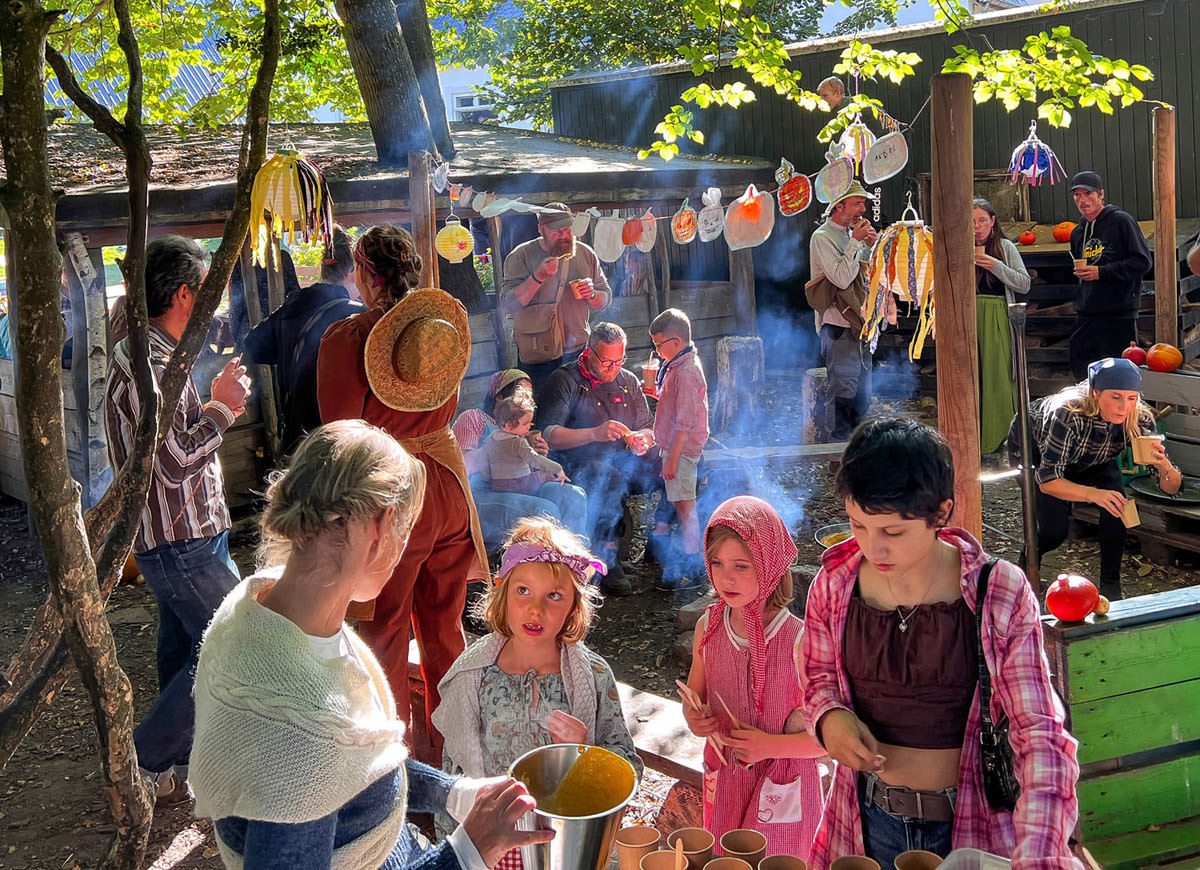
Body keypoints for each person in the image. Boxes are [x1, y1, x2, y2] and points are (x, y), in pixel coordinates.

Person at [190, 419, 554, 870]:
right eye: (410, 529)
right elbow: (316, 762)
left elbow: (355, 770)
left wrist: (453, 793)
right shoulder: (305, 735)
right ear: (382, 527)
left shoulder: (252, 609)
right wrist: (467, 853)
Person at [802, 417, 1083, 870]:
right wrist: (830, 717)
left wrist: (1041, 853)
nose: (874, 548)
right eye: (858, 525)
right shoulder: (835, 584)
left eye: (893, 532)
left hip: (973, 828)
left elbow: (1041, 732)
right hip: (862, 823)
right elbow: (818, 678)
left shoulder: (997, 592)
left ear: (941, 513)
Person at [318, 225, 490, 760]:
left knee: (384, 635)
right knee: (444, 631)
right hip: (447, 485)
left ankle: (393, 771)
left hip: (391, 491)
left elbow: (340, 431)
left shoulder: (349, 337)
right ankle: (451, 756)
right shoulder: (438, 328)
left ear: (366, 273)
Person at [103, 234, 251, 806]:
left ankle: (180, 763)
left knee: (185, 648)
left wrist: (215, 402)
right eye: (209, 289)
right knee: (234, 644)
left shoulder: (159, 352)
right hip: (180, 541)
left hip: (186, 537)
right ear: (186, 294)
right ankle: (141, 760)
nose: (215, 303)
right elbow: (172, 465)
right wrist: (223, 407)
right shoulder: (150, 362)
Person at [434, 516, 643, 828]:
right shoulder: (473, 674)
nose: (536, 608)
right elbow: (455, 771)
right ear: (501, 592)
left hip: (564, 840)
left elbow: (628, 768)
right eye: (523, 590)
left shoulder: (594, 675)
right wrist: (455, 849)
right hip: (493, 840)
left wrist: (585, 753)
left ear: (575, 606)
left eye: (554, 596)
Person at [682, 496, 824, 863]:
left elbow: (827, 742)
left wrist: (768, 746)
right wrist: (695, 718)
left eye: (742, 566)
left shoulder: (800, 640)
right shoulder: (707, 629)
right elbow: (694, 696)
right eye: (717, 563)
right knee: (728, 859)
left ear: (770, 564)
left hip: (783, 784)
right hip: (727, 779)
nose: (726, 577)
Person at [1014, 357, 1181, 601]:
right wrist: (1093, 494)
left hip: (1096, 457)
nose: (1124, 407)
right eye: (1115, 397)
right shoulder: (1067, 412)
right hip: (1038, 453)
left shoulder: (1140, 418)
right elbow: (1049, 480)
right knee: (1054, 530)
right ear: (1095, 393)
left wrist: (1164, 464)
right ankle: (1024, 569)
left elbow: (1172, 489)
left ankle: (1111, 586)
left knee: (1118, 509)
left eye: (1131, 398)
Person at [538, 322, 660, 596]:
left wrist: (643, 438)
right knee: (607, 477)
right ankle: (606, 557)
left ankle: (657, 543)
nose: (613, 368)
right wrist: (594, 433)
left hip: (621, 456)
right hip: (573, 462)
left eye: (619, 360)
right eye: (606, 361)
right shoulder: (566, 380)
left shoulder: (627, 380)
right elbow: (548, 435)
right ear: (589, 353)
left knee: (670, 464)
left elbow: (648, 425)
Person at [245, 226, 363, 455]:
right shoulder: (355, 316)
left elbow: (253, 346)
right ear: (352, 271)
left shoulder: (295, 304)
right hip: (337, 437)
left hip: (294, 436)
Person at [453, 369, 588, 548]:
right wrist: (501, 446)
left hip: (520, 487)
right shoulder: (473, 418)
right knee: (545, 511)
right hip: (481, 494)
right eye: (520, 393)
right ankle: (548, 568)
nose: (525, 399)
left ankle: (577, 563)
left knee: (573, 496)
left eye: (529, 395)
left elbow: (524, 472)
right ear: (500, 397)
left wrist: (537, 454)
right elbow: (460, 468)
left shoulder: (523, 424)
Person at [500, 203, 613, 391]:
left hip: (578, 353)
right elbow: (508, 305)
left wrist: (592, 294)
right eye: (557, 232)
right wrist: (538, 277)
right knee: (541, 415)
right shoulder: (521, 256)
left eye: (568, 230)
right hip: (538, 359)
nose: (565, 236)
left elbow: (606, 299)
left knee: (579, 415)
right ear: (540, 229)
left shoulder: (585, 254)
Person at [809, 181, 878, 440]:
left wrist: (870, 246)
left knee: (862, 392)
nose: (863, 209)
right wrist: (856, 243)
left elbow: (865, 279)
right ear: (839, 205)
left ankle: (858, 452)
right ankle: (837, 456)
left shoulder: (853, 236)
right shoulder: (822, 237)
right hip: (838, 325)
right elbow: (840, 278)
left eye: (863, 203)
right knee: (842, 393)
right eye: (858, 203)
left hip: (860, 322)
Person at [1067, 170, 1152, 380]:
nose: (1082, 200)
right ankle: (1088, 410)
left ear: (1101, 194)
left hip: (1119, 312)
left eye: (1088, 193)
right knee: (1081, 368)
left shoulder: (1121, 221)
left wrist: (1101, 272)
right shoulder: (1078, 233)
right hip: (1087, 312)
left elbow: (1142, 262)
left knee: (1120, 375)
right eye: (1077, 195)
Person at [648, 308, 710, 593]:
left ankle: (694, 567)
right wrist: (655, 394)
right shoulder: (678, 365)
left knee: (686, 509)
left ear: (674, 341)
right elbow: (676, 404)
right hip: (676, 449)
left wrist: (672, 460)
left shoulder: (685, 373)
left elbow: (684, 423)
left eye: (658, 345)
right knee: (681, 505)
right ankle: (689, 562)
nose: (656, 351)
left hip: (682, 451)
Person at [972, 198, 1030, 454]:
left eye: (982, 220)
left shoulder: (1004, 247)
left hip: (995, 315)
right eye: (971, 221)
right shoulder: (960, 247)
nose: (977, 226)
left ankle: (1000, 438)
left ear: (993, 221)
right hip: (968, 316)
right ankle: (971, 435)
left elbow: (1023, 283)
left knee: (997, 376)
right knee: (971, 376)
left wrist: (996, 266)